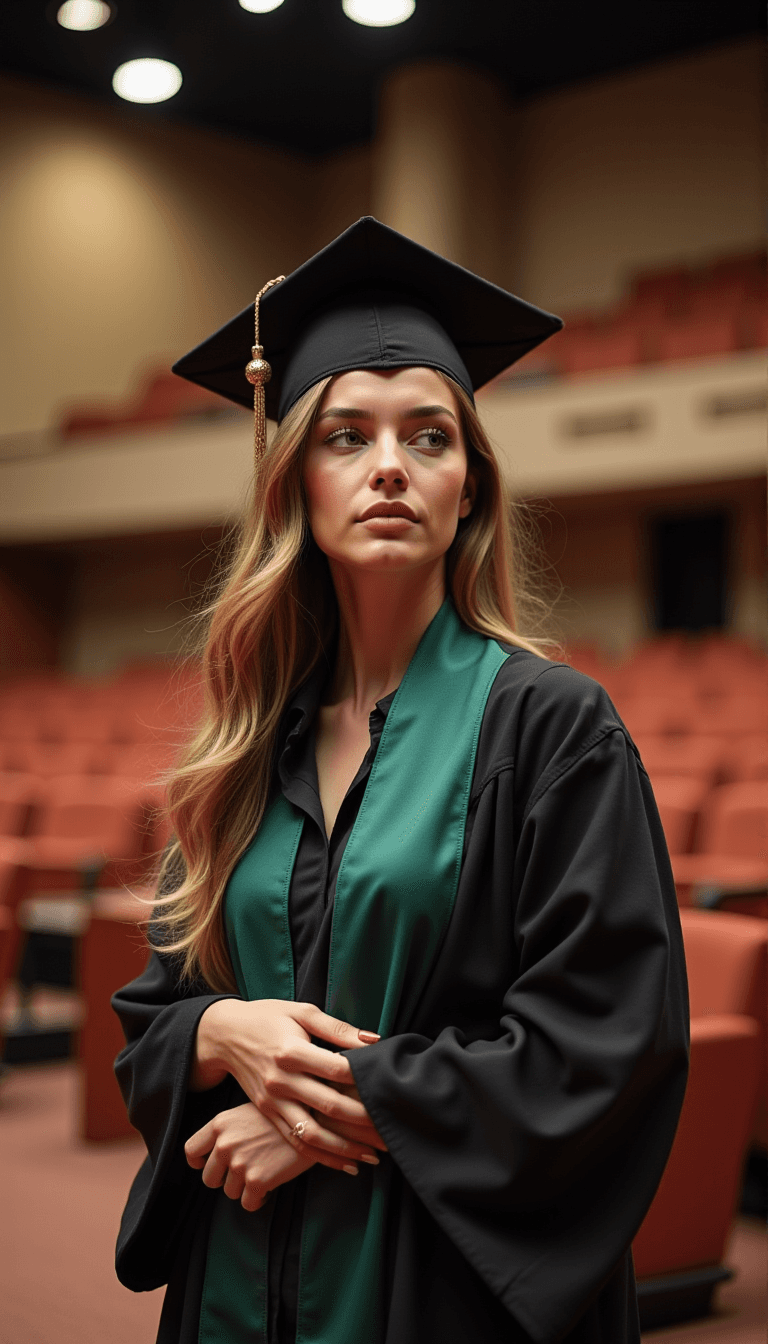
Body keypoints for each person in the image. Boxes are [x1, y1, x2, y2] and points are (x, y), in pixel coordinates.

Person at [112, 217, 689, 1344]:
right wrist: (223, 1035)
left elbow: (605, 1046)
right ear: (296, 486)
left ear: (469, 486)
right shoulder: (242, 752)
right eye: (345, 437)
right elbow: (153, 1022)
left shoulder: (550, 729)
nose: (390, 466)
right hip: (240, 1270)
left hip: (433, 1286)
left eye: (430, 437)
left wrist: (335, 1111)